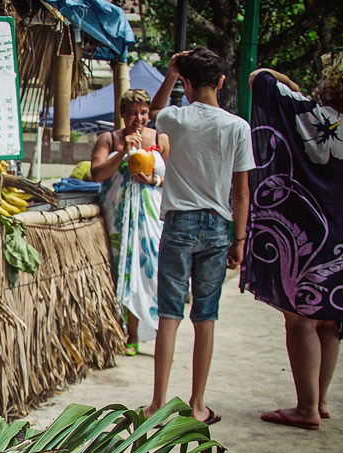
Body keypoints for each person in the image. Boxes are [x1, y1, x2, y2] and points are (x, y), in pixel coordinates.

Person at [241, 50, 343, 431]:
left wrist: (293, 84)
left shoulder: (308, 114)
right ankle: (320, 399)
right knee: (329, 318)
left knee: (300, 319)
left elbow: (258, 77)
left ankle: (306, 409)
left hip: (309, 237)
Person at [145, 47, 255, 425]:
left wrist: (172, 73)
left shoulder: (176, 118)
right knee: (205, 317)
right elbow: (241, 192)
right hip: (217, 226)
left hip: (178, 223)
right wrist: (239, 240)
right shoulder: (237, 127)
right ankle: (197, 405)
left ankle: (158, 403)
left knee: (170, 315)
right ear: (221, 83)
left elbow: (152, 113)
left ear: (187, 83)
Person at [90, 88, 170, 356]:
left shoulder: (160, 139)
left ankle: (162, 339)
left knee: (154, 273)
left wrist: (154, 180)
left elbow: (173, 179)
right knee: (124, 271)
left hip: (152, 218)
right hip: (119, 218)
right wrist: (122, 152)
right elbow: (97, 174)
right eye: (133, 113)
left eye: (144, 112)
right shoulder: (109, 139)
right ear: (123, 115)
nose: (139, 118)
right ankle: (131, 335)